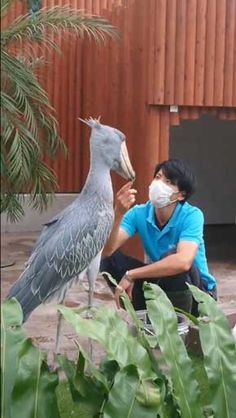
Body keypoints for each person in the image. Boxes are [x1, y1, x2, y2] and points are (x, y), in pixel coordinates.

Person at [100, 158, 217, 315]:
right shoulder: (139, 213)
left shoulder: (192, 215)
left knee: (173, 258)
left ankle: (178, 327)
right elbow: (107, 250)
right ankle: (144, 317)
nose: (158, 183)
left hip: (199, 294)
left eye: (168, 181)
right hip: (161, 285)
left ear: (181, 195)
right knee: (110, 260)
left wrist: (131, 275)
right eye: (157, 177)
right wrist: (118, 213)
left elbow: (183, 262)